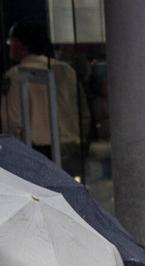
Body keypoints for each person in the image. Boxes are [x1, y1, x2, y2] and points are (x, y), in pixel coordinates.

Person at [0, 20, 89, 177]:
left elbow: (12, 122)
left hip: (35, 151)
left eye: (11, 42)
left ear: (21, 45)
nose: (9, 46)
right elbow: (83, 113)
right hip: (71, 147)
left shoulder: (15, 76)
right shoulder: (66, 70)